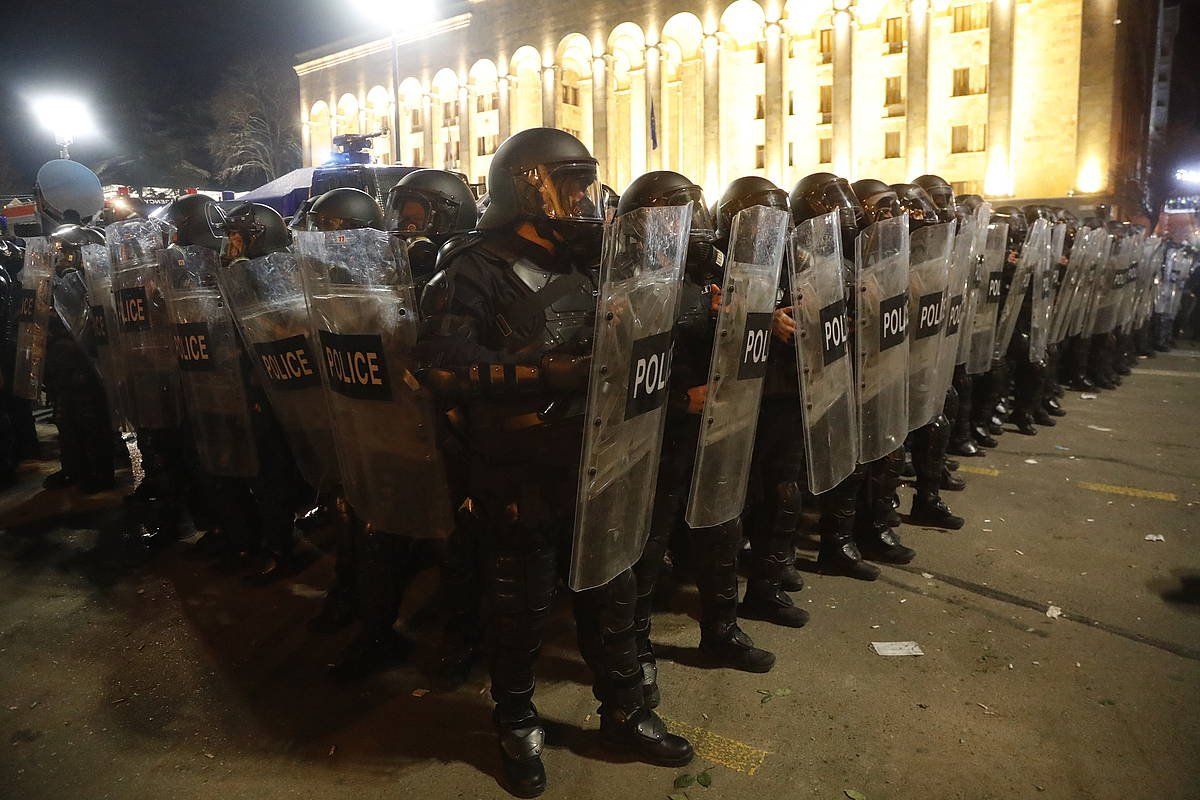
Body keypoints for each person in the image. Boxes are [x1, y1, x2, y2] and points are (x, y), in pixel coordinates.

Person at [418, 129, 692, 798]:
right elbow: (442, 370)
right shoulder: (472, 268)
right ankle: (515, 718)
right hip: (515, 463)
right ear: (523, 186)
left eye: (583, 181)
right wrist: (542, 372)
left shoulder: (596, 260)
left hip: (597, 455)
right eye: (565, 182)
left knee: (613, 588)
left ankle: (626, 711)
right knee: (519, 603)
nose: (581, 196)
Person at [892, 183, 962, 529]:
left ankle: (928, 497)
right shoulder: (881, 257)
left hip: (919, 359)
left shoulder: (930, 259)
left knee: (939, 418)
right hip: (887, 369)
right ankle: (880, 509)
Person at [44, 224, 116, 493]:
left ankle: (99, 473)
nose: (61, 258)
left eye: (67, 252)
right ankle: (73, 468)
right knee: (66, 419)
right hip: (64, 366)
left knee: (91, 420)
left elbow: (95, 326)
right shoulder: (60, 283)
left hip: (87, 366)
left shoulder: (96, 282)